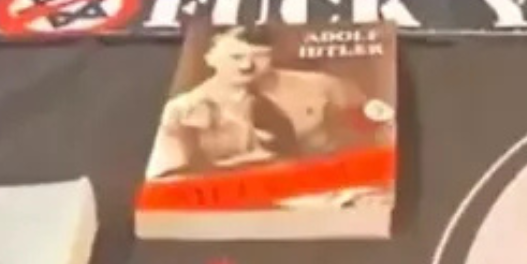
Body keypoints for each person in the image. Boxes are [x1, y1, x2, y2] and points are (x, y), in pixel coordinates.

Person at [147, 26, 378, 178]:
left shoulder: (324, 86)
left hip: (325, 190)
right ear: (210, 58)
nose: (246, 66)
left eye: (259, 56)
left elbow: (376, 134)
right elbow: (167, 175)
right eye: (235, 57)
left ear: (273, 54)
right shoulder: (182, 110)